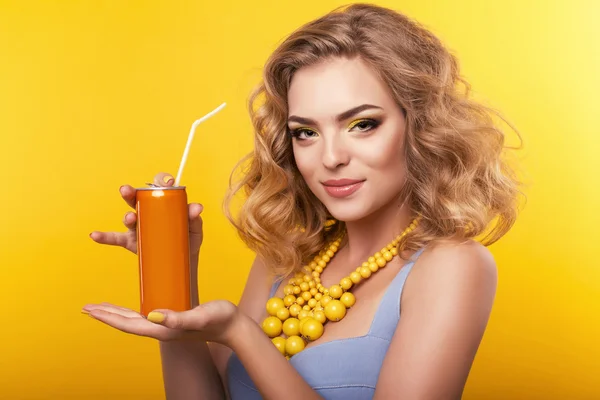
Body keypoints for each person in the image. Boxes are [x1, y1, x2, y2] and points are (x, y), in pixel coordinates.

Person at [84, 3, 522, 399]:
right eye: (305, 132)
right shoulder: (285, 258)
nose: (330, 158)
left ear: (420, 125)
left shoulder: (452, 265)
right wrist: (177, 279)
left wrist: (240, 333)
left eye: (362, 124)